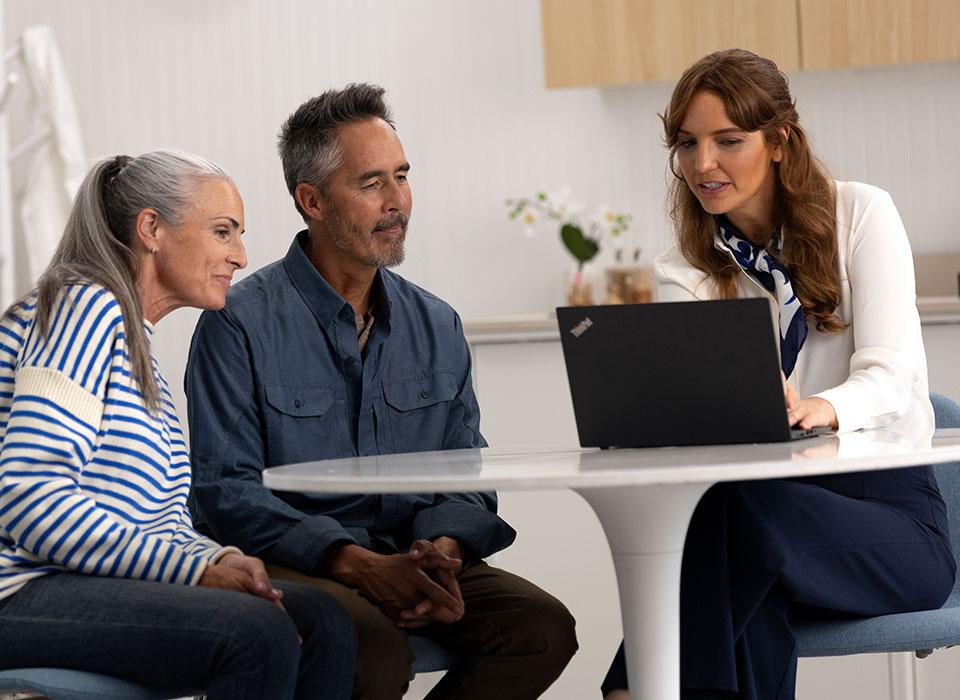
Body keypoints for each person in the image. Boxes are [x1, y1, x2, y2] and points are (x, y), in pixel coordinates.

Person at [185, 83, 578, 699]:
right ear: (310, 200)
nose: (398, 202)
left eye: (402, 176)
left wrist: (442, 553)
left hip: (412, 552)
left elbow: (462, 470)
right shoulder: (237, 322)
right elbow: (223, 493)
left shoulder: (437, 323)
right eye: (372, 184)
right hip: (301, 561)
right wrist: (356, 563)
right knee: (373, 646)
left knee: (542, 630)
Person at [601, 49, 955, 700]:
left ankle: (632, 687)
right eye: (686, 144)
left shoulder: (861, 215)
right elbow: (706, 411)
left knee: (733, 534)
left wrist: (820, 407)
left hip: (890, 522)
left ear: (780, 142)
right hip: (760, 513)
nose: (701, 164)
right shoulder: (685, 265)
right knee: (743, 559)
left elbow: (892, 372)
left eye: (727, 141)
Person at [0, 151, 357, 700]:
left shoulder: (136, 347)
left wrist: (214, 557)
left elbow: (153, 521)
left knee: (322, 621)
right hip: (19, 592)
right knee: (257, 634)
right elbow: (29, 495)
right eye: (222, 232)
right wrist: (191, 572)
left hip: (73, 584)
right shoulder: (84, 308)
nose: (239, 256)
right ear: (151, 229)